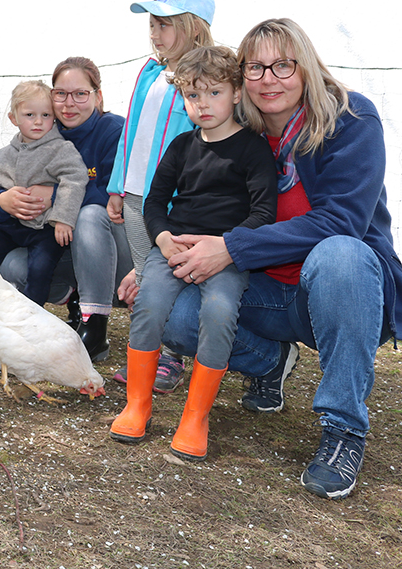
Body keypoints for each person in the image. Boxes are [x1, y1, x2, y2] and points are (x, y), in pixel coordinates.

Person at [159, 18, 402, 498]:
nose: (268, 78)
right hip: (261, 289)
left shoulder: (350, 120)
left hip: (336, 290)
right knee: (175, 317)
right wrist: (161, 255)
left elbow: (343, 220)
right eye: (255, 67)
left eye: (282, 64)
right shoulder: (238, 134)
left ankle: (344, 429)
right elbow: (199, 208)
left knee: (342, 253)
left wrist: (233, 247)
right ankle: (269, 361)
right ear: (240, 81)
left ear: (305, 66)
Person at [110, 45, 277, 461]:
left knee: (219, 313)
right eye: (192, 96)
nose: (203, 105)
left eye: (214, 93)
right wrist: (163, 239)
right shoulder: (182, 146)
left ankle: (195, 417)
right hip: (175, 247)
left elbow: (264, 212)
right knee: (148, 305)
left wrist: (226, 246)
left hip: (226, 252)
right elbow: (154, 201)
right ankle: (138, 403)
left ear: (237, 92)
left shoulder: (254, 149)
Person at [107, 0, 215, 391]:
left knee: (169, 273)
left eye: (163, 24)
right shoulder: (150, 71)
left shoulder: (202, 81)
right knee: (146, 272)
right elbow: (130, 132)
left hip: (172, 201)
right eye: (152, 24)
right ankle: (148, 352)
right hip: (136, 195)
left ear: (193, 27)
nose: (154, 33)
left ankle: (172, 355)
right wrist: (117, 186)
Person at [0, 57, 131, 362]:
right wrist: (3, 201)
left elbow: (112, 198)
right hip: (68, 252)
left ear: (97, 95)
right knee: (13, 266)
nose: (69, 103)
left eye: (80, 93)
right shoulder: (43, 134)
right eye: (60, 93)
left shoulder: (114, 131)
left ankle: (95, 329)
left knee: (91, 214)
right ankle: (73, 298)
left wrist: (55, 195)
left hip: (120, 259)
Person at [0, 81, 88, 305]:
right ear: (13, 118)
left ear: (54, 117)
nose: (37, 121)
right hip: (8, 226)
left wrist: (63, 218)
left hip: (45, 227)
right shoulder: (4, 154)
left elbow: (75, 179)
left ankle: (34, 312)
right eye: (29, 114)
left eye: (45, 115)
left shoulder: (61, 149)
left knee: (40, 267)